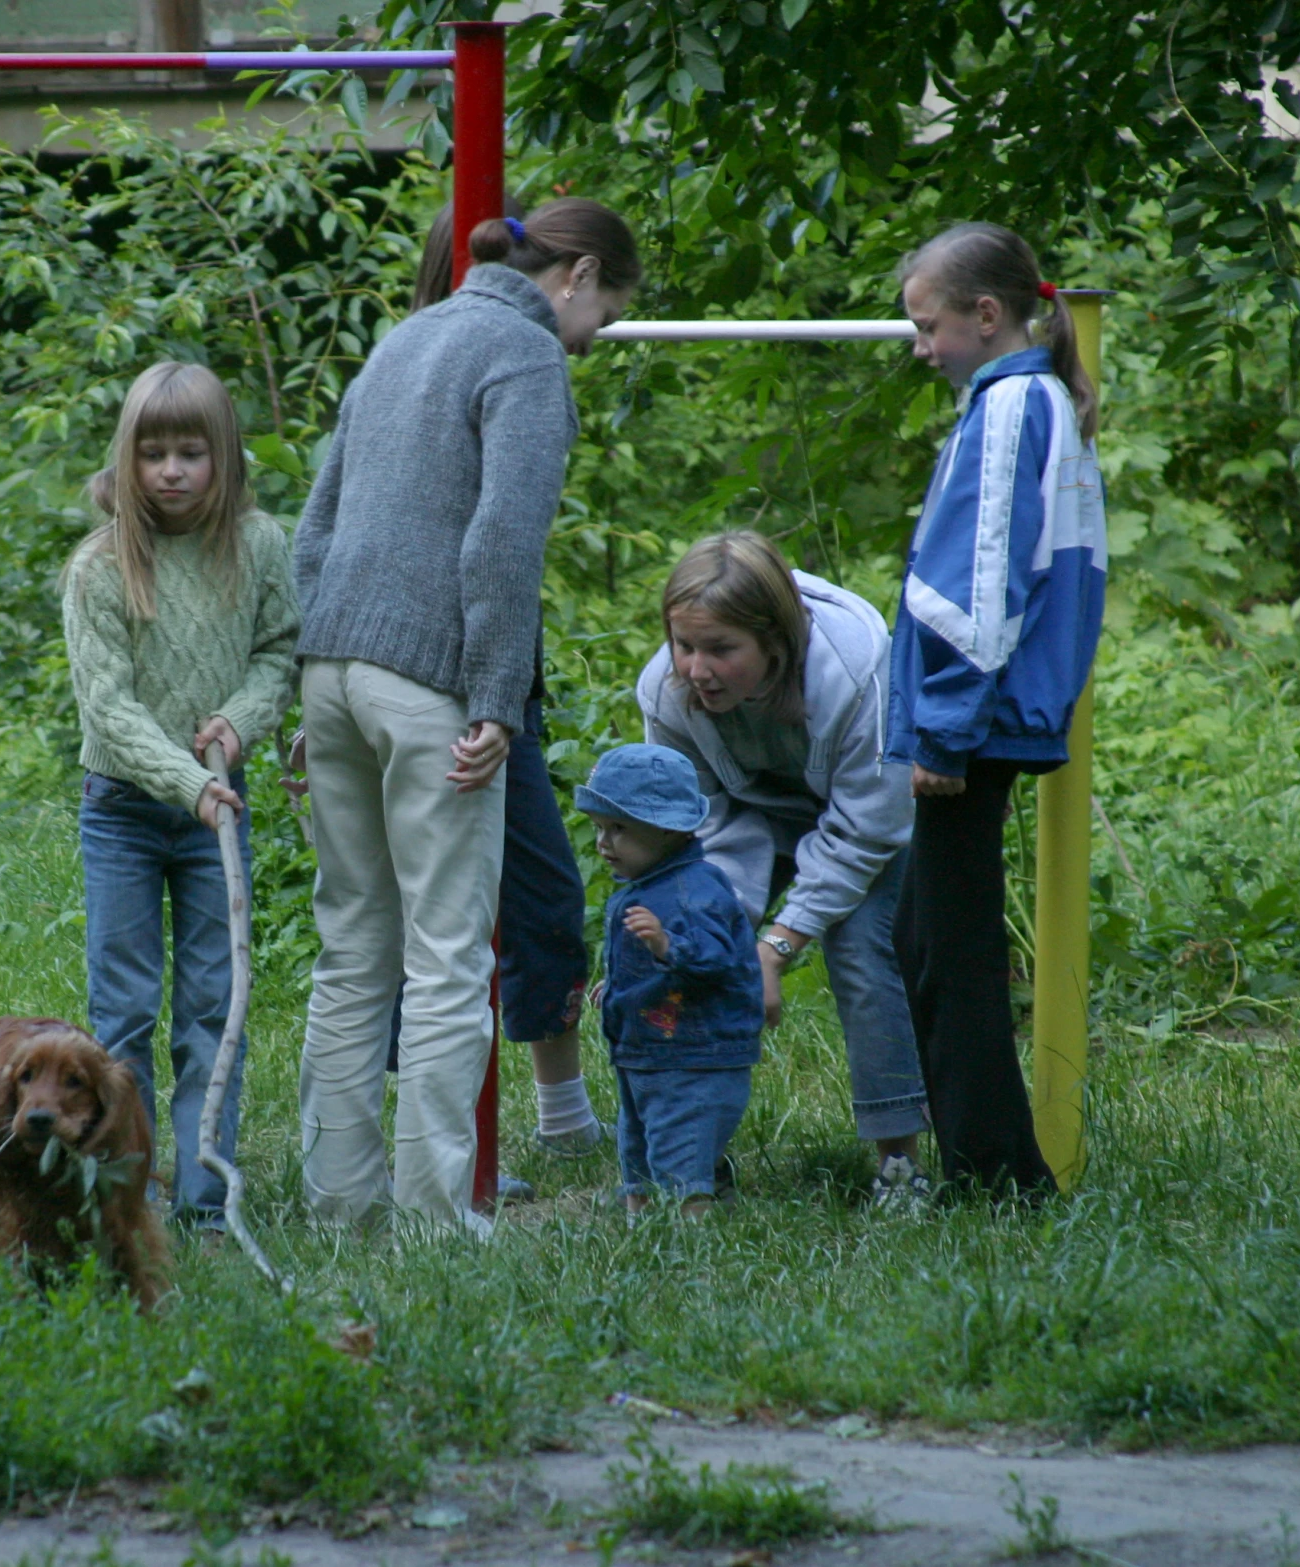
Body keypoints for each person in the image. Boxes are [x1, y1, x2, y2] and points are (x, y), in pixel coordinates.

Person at [293, 197, 641, 1235]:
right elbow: (502, 544)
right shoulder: (524, 358)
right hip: (429, 685)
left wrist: (312, 679)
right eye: (606, 314)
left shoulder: (405, 338)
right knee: (448, 956)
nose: (594, 339)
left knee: (352, 947)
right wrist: (495, 699)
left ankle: (337, 1204)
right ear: (573, 276)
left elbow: (316, 524)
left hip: (334, 672)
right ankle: (438, 1222)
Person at [888, 221, 1107, 1199]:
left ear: (987, 315)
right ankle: (994, 1167)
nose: (921, 346)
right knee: (925, 937)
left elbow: (983, 583)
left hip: (972, 718)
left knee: (950, 949)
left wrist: (942, 726)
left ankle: (995, 1183)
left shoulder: (1016, 403)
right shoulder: (1027, 398)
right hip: (980, 712)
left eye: (928, 325)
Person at [62, 361, 301, 1234]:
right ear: (128, 458)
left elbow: (279, 653)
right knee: (122, 1009)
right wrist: (190, 780)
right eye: (153, 452)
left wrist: (238, 727)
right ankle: (130, 1194)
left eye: (191, 452)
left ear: (223, 456)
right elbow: (108, 709)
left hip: (219, 822)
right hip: (125, 811)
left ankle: (204, 1198)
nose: (171, 470)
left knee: (213, 1004)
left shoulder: (261, 544)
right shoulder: (99, 566)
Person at [636, 532, 931, 1209]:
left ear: (776, 639)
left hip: (862, 821)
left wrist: (777, 946)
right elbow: (699, 820)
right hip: (749, 819)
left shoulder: (857, 665)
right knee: (684, 946)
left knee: (859, 949)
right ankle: (691, 1161)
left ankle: (899, 1163)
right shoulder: (665, 690)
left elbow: (870, 823)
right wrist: (725, 933)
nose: (696, 669)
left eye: (720, 650)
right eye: (684, 645)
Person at [576, 744, 764, 1218]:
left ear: (671, 830)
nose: (604, 843)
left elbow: (720, 959)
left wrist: (667, 947)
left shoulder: (692, 893)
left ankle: (693, 1232)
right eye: (600, 828)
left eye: (620, 829)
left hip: (694, 1056)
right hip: (649, 1049)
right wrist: (619, 984)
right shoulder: (644, 887)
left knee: (681, 1147)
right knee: (636, 1140)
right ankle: (641, 1216)